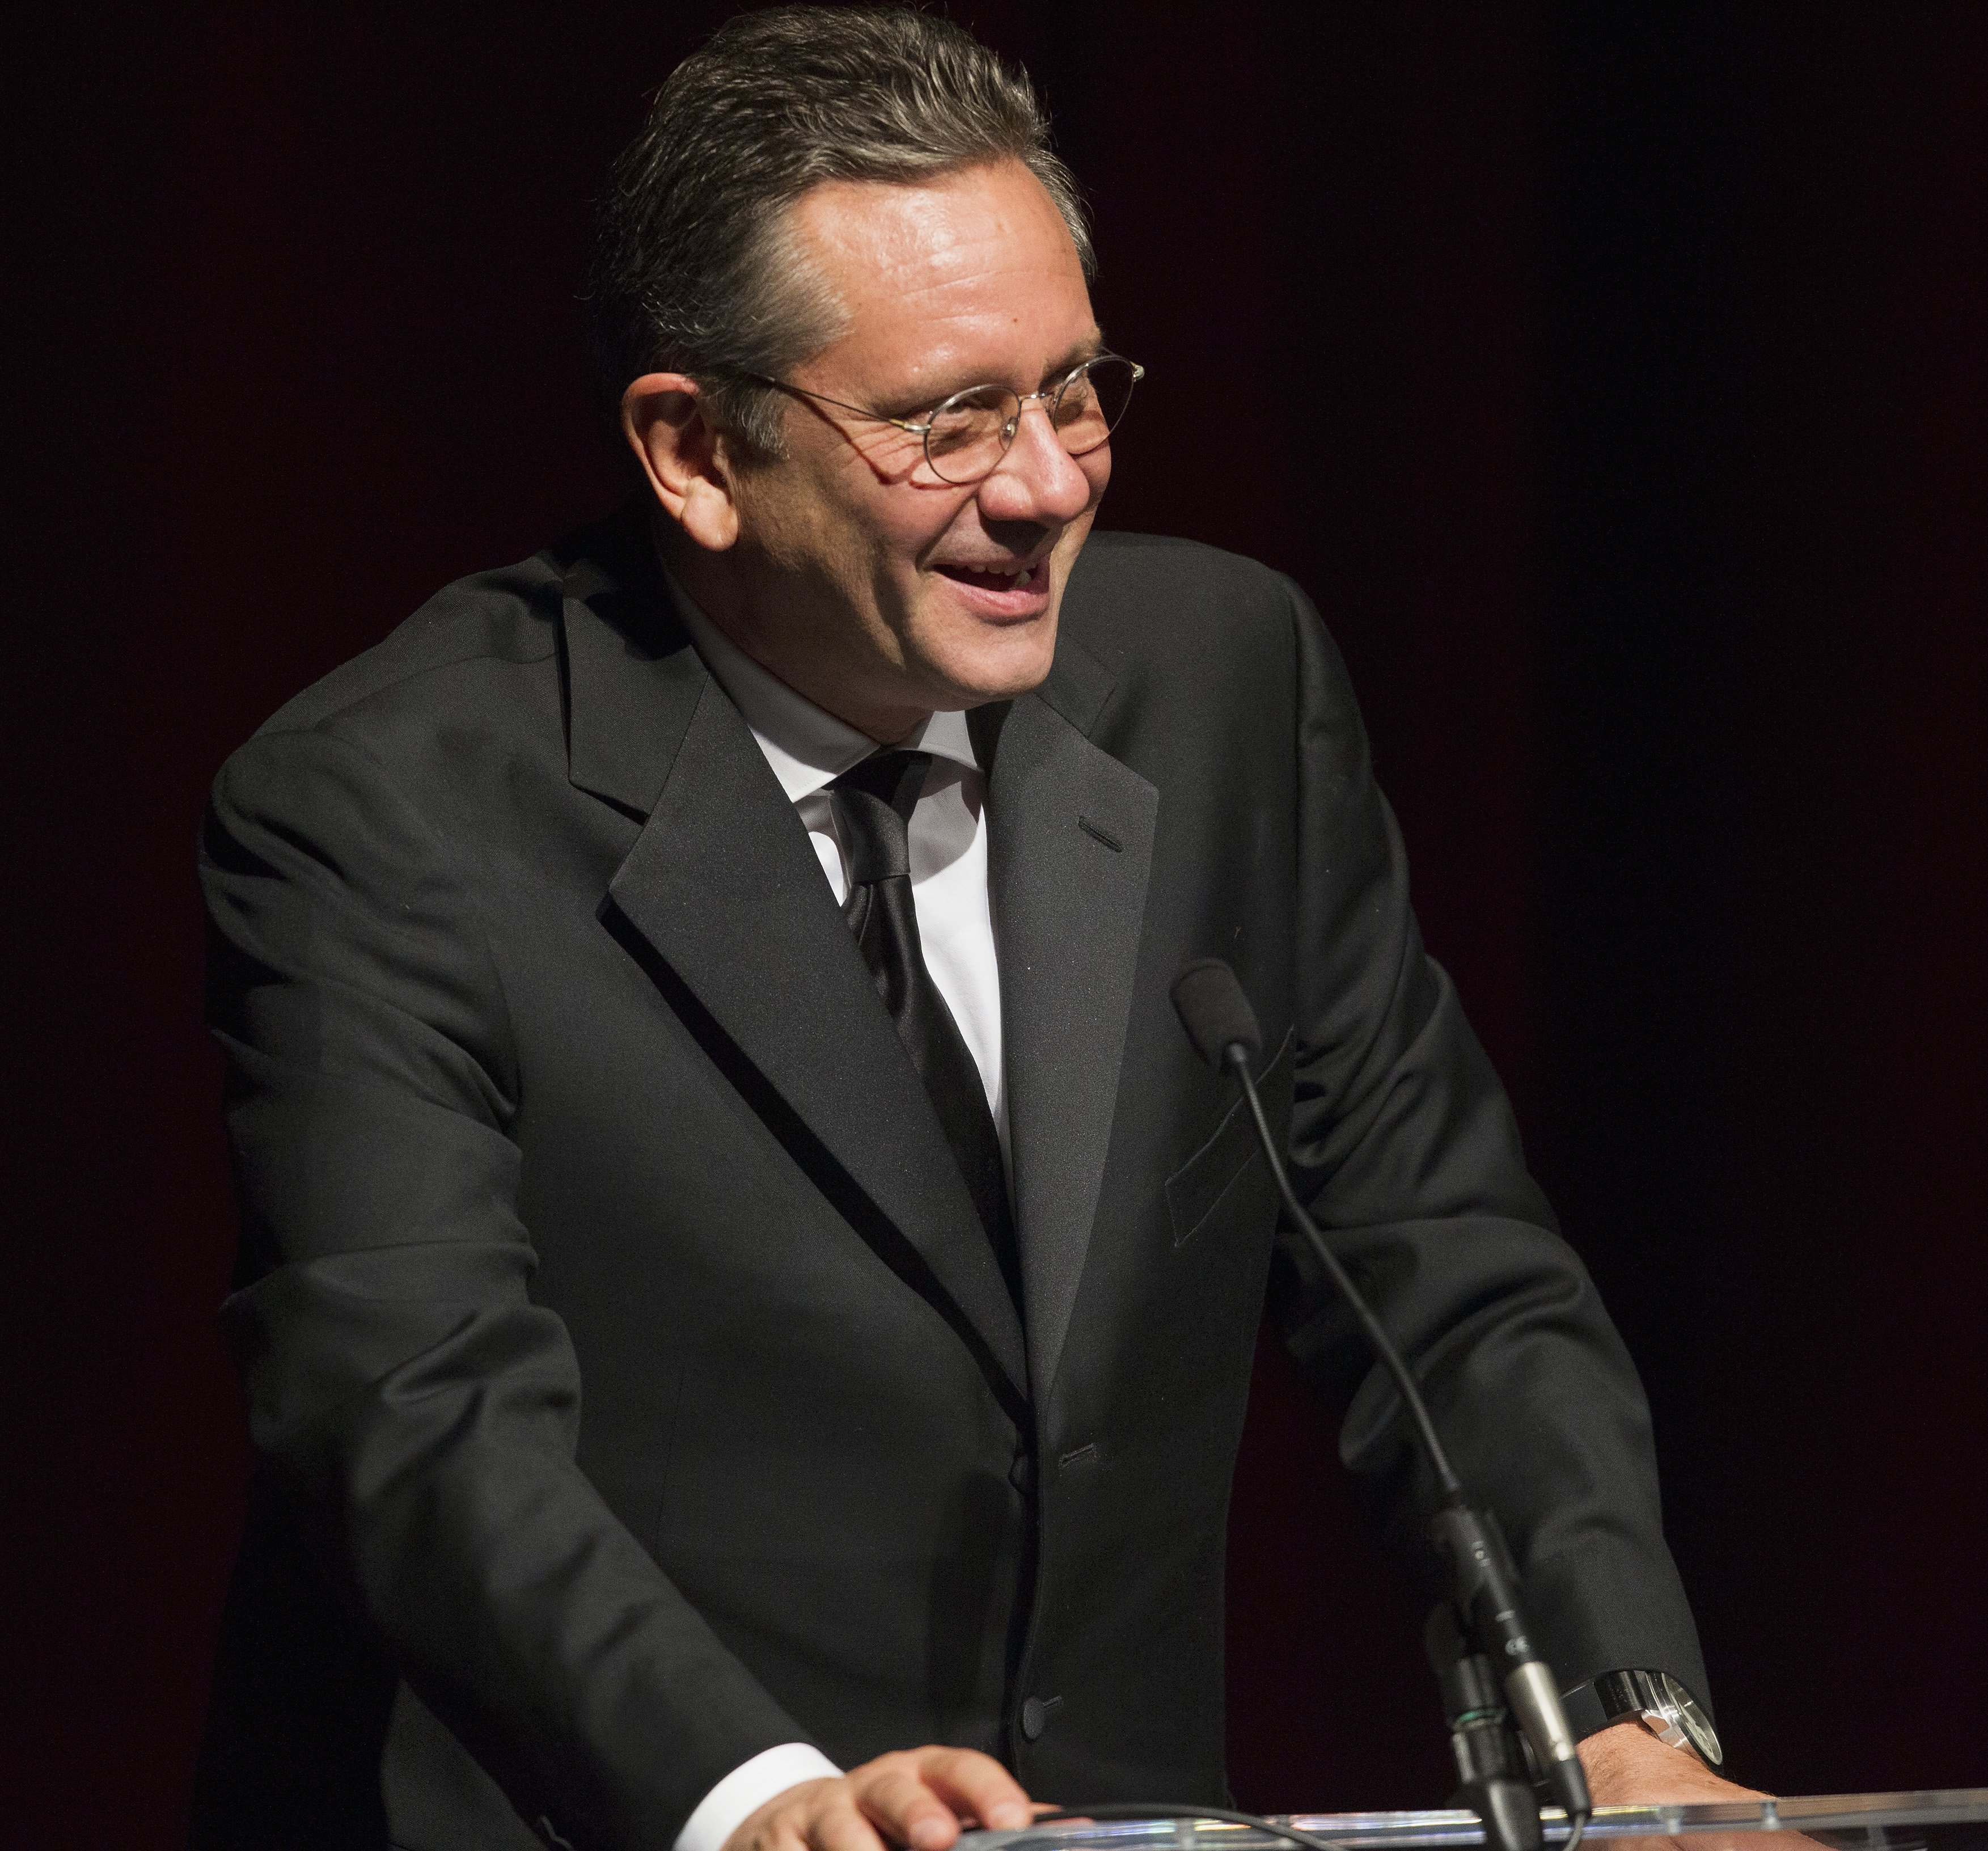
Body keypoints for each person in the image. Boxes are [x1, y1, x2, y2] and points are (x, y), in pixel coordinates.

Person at [192, 10, 1755, 1850]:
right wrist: (760, 1795)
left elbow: (1438, 1262)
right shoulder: (397, 805)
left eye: (1075, 389)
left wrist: (1623, 1728)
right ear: (694, 447)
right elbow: (411, 1404)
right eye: (949, 420)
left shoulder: (1221, 685)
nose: (1046, 486)